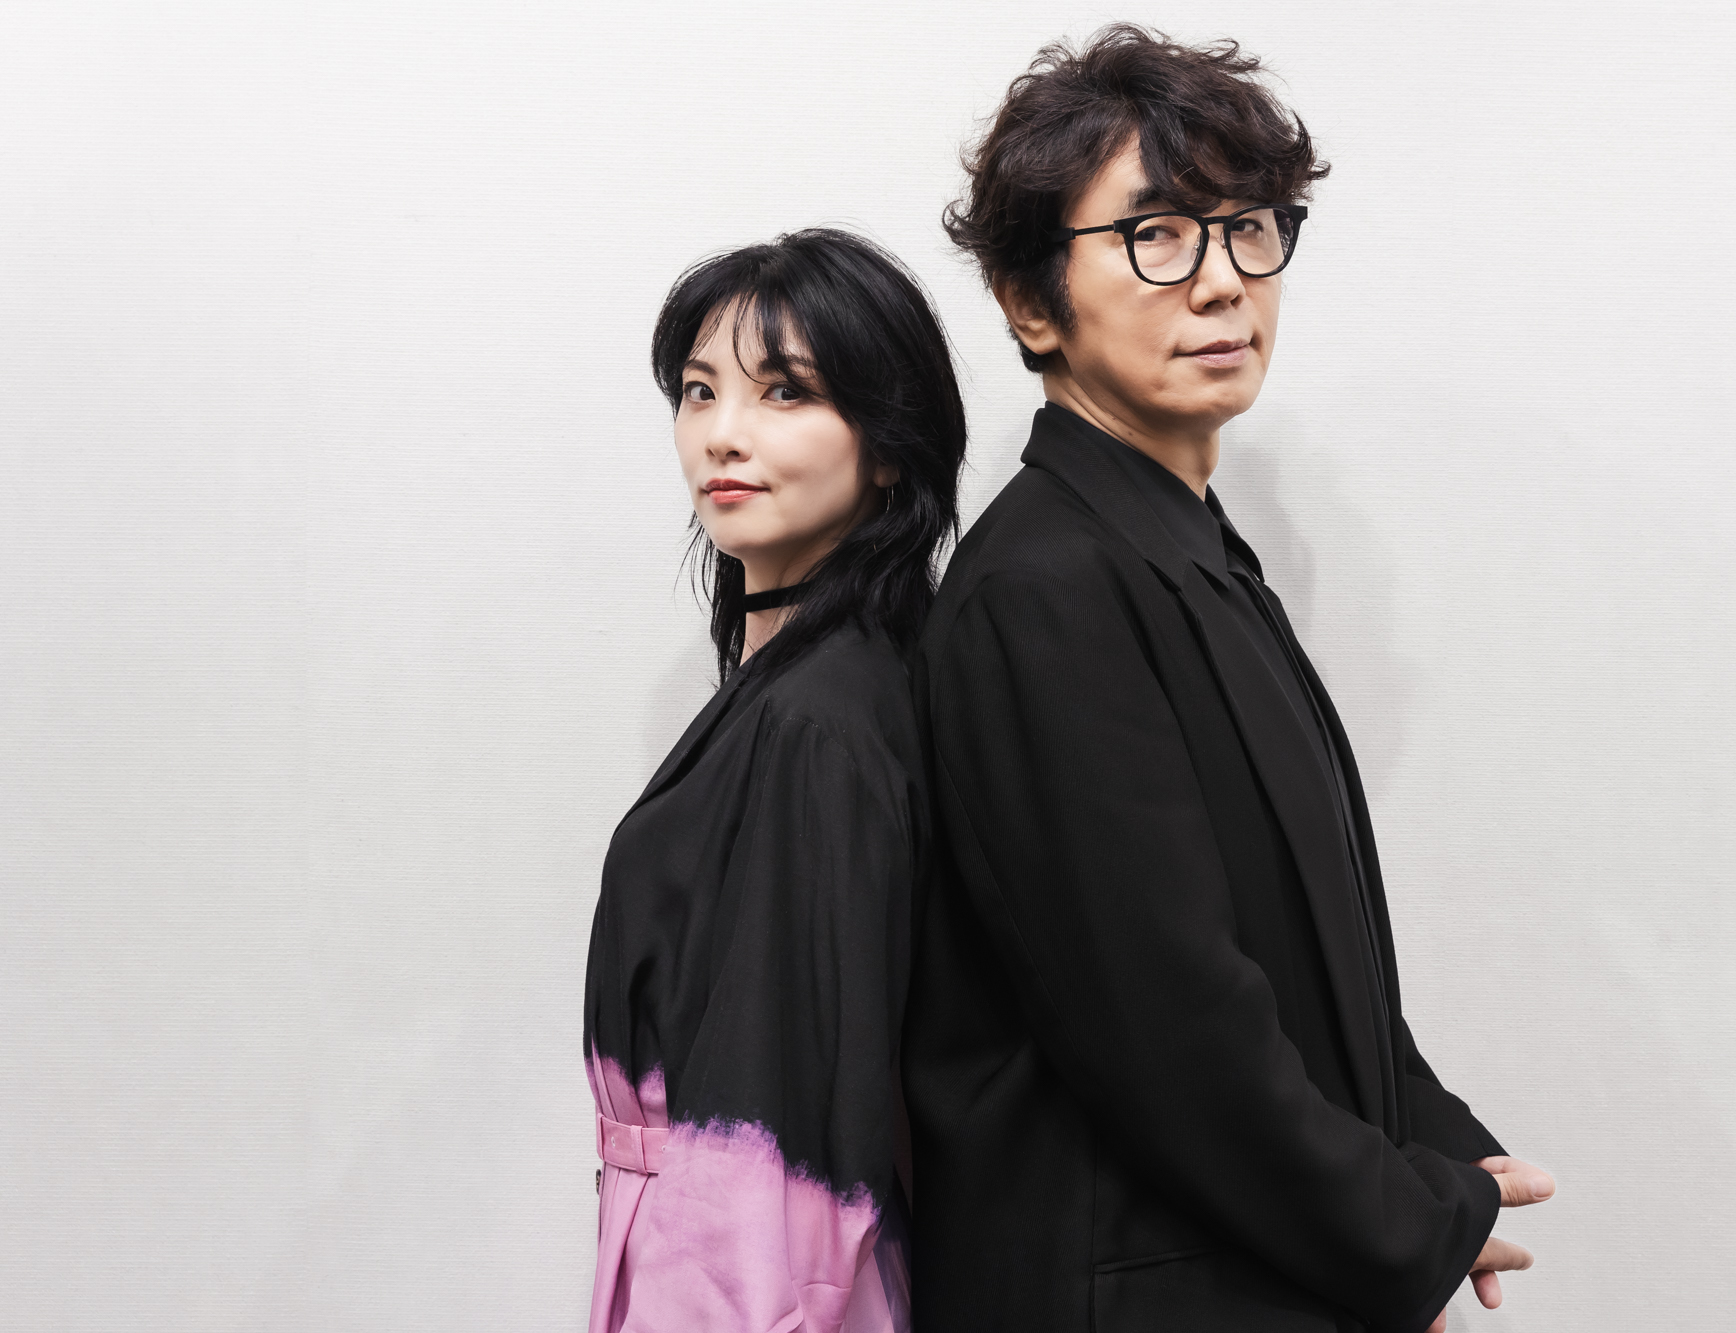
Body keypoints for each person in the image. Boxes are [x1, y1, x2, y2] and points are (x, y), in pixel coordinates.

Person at [905, 27, 1554, 1333]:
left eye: (1249, 229)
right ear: (1030, 302)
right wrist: (1395, 1225)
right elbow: (1166, 1022)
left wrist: (1427, 1136)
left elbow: (1286, 947)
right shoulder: (1046, 587)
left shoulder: (1181, 546)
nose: (1219, 283)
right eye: (1155, 236)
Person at [582, 228, 964, 1333]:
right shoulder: (824, 687)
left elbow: (778, 1146)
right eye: (699, 391)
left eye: (784, 391)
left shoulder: (818, 726)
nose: (722, 433)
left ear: (887, 447)